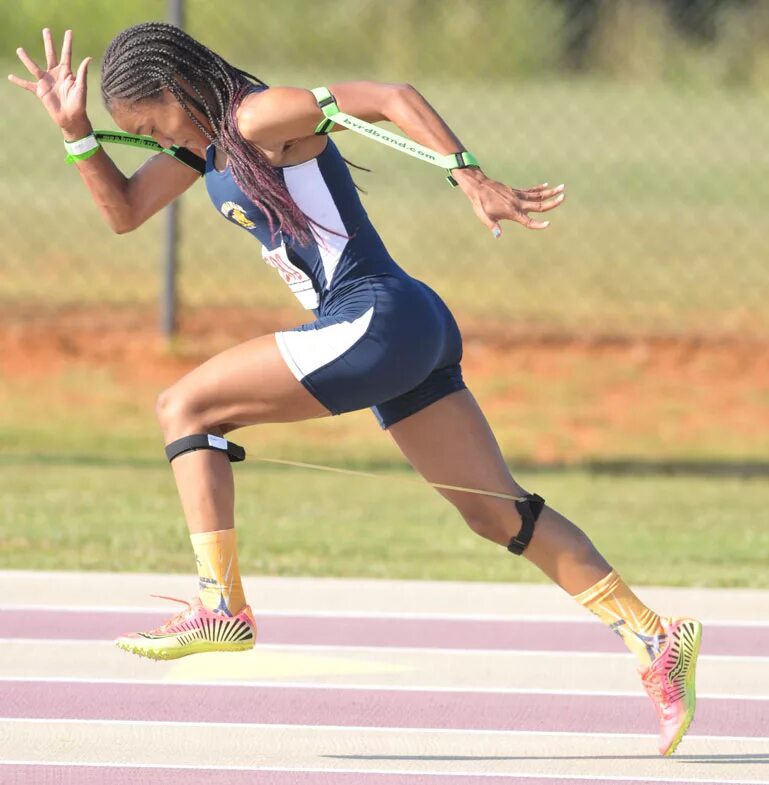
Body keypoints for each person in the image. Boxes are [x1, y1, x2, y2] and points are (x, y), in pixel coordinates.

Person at [9, 23, 702, 756]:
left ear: (176, 92)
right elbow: (122, 213)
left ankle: (221, 603)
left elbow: (390, 96)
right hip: (411, 324)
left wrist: (470, 176)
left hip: (376, 316)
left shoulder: (256, 117)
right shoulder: (208, 144)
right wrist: (77, 132)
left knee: (183, 405)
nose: (146, 137)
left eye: (146, 124)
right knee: (502, 515)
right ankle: (654, 637)